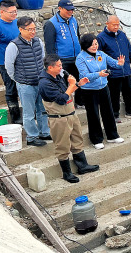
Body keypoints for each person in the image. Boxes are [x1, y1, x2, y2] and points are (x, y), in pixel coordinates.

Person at [39, 55, 99, 183]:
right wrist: (72, 85)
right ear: (50, 68)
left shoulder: (58, 76)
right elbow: (61, 99)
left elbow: (67, 91)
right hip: (59, 119)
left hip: (71, 114)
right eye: (59, 66)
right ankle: (67, 173)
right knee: (62, 146)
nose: (62, 68)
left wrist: (78, 84)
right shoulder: (45, 83)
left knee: (77, 140)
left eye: (61, 65)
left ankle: (82, 165)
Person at [4, 16, 51, 147]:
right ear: (20, 29)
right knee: (29, 113)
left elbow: (42, 59)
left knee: (42, 110)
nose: (33, 32)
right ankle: (32, 136)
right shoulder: (13, 45)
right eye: (29, 29)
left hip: (40, 82)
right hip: (25, 85)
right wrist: (18, 79)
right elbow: (9, 66)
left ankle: (44, 132)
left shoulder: (38, 41)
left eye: (34, 29)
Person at [75, 33, 125, 150]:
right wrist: (99, 74)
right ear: (85, 45)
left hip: (103, 87)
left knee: (108, 112)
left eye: (96, 44)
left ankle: (112, 136)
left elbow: (113, 63)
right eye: (92, 44)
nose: (95, 46)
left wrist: (119, 64)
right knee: (93, 115)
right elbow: (85, 75)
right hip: (89, 90)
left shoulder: (101, 54)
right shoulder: (81, 58)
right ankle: (96, 139)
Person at [97, 14, 131, 123]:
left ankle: (130, 111)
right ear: (107, 24)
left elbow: (129, 51)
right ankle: (115, 114)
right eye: (114, 25)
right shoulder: (101, 37)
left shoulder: (122, 35)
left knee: (128, 92)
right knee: (114, 94)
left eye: (118, 25)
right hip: (112, 72)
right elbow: (99, 56)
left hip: (125, 70)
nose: (116, 27)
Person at [43, 0, 83, 107]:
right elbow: (49, 46)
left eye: (72, 10)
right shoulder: (51, 24)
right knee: (63, 83)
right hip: (63, 59)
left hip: (77, 57)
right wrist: (54, 62)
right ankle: (66, 104)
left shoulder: (73, 20)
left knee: (79, 80)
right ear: (60, 8)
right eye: (68, 10)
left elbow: (78, 37)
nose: (71, 12)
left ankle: (80, 102)